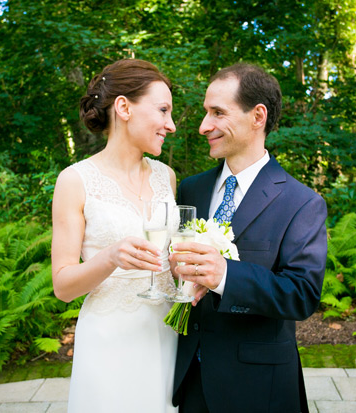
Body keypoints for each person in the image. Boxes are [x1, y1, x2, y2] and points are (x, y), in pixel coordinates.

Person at [169, 63, 328, 412]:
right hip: (192, 382)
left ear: (258, 116)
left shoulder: (302, 203)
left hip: (260, 389)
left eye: (218, 113)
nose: (203, 126)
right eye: (205, 112)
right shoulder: (191, 189)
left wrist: (224, 275)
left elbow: (302, 295)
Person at [51, 59, 179, 412]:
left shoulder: (165, 176)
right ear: (123, 107)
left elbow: (170, 258)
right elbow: (62, 286)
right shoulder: (74, 181)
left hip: (167, 333)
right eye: (163, 110)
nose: (170, 124)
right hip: (110, 343)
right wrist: (109, 257)